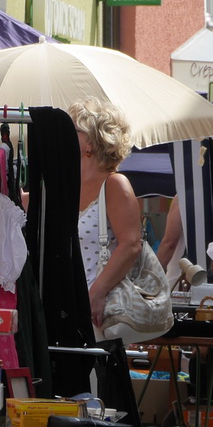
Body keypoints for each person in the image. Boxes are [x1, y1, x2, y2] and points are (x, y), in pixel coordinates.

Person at [69, 98, 145, 340]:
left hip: (97, 308)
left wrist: (97, 293)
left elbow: (131, 243)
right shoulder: (68, 184)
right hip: (68, 304)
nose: (65, 135)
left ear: (91, 141)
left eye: (73, 130)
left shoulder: (114, 183)